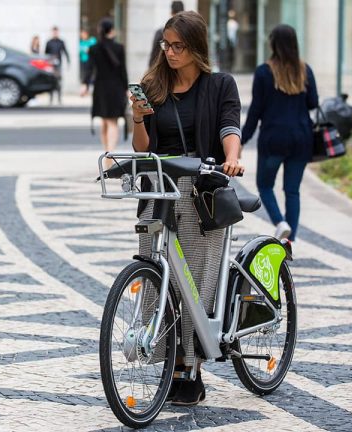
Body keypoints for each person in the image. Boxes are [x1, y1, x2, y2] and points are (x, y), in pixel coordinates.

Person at [131, 10, 243, 406]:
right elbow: (142, 148)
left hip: (199, 192)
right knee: (156, 276)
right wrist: (138, 119)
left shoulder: (220, 85)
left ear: (196, 47)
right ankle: (167, 359)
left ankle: (190, 367)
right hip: (159, 189)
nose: (170, 51)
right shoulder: (153, 84)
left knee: (193, 283)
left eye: (178, 45)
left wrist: (232, 158)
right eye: (166, 44)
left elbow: (230, 126)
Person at [241, 24, 318, 243]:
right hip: (302, 139)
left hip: (274, 139)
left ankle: (280, 222)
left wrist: (242, 139)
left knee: (265, 185)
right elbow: (313, 103)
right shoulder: (305, 70)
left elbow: (255, 111)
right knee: (292, 191)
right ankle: (289, 240)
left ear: (273, 43)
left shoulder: (264, 72)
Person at [82, 18, 128, 168]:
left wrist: (85, 85)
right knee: (112, 121)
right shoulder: (119, 48)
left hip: (100, 88)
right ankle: (110, 153)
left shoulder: (94, 48)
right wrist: (127, 89)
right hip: (116, 88)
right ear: (112, 31)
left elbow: (89, 69)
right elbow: (123, 71)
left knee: (104, 121)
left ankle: (107, 151)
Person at [149, 1, 184, 67]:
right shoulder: (161, 32)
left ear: (171, 13)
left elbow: (153, 58)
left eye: (178, 46)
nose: (170, 53)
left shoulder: (160, 32)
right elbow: (153, 58)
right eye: (166, 45)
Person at [45, 26, 70, 105]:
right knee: (51, 81)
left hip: (58, 64)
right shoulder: (49, 42)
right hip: (51, 65)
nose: (55, 33)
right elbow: (45, 54)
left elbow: (65, 52)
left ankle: (59, 98)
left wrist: (68, 61)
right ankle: (51, 99)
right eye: (54, 32)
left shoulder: (61, 42)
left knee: (58, 81)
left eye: (56, 32)